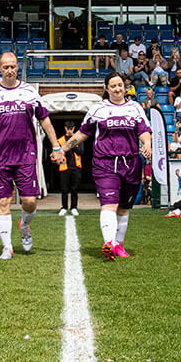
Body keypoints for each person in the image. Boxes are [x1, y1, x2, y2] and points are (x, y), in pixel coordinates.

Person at [0, 52, 65, 259]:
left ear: (17, 68)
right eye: (6, 67)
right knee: (3, 202)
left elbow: (45, 120)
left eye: (13, 66)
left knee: (29, 201)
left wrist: (56, 147)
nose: (10, 70)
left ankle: (25, 225)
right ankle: (7, 247)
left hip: (25, 155)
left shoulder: (29, 91)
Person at [61, 72, 151, 259]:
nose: (118, 89)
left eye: (120, 85)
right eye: (113, 86)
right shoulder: (98, 109)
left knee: (124, 207)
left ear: (124, 87)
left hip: (131, 162)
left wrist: (147, 145)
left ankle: (118, 244)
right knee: (109, 204)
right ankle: (109, 243)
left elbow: (144, 130)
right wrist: (62, 150)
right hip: (105, 163)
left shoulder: (135, 108)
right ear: (106, 88)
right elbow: (81, 134)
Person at [57, 121, 82, 216]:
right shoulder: (60, 140)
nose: (70, 130)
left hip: (76, 167)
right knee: (64, 189)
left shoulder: (78, 139)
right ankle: (64, 207)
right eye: (68, 128)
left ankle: (74, 207)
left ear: (74, 128)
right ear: (65, 128)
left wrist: (71, 145)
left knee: (75, 189)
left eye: (71, 128)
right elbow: (58, 153)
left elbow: (81, 152)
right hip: (64, 167)